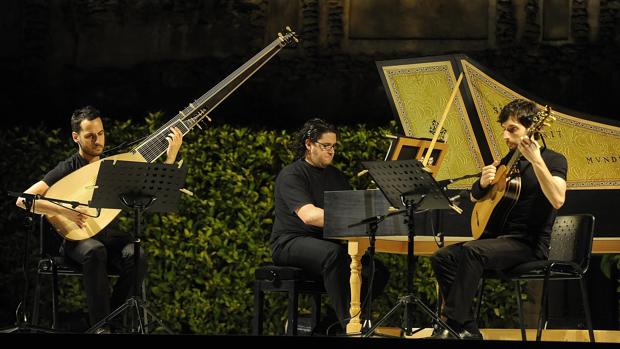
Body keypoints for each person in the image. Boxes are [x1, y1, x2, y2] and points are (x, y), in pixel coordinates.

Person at [15, 106, 183, 333]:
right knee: (95, 252)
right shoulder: (67, 168)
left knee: (137, 255)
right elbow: (23, 200)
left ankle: (113, 320)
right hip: (77, 240)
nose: (97, 141)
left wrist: (170, 158)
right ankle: (101, 328)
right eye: (90, 136)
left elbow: (149, 194)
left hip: (109, 235)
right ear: (76, 137)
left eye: (101, 133)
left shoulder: (114, 166)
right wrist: (65, 211)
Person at [429, 99, 567, 340]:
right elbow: (474, 197)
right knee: (443, 257)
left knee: (472, 251)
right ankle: (468, 328)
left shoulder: (554, 160)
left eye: (511, 129)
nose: (505, 135)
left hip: (529, 245)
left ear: (531, 128)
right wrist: (482, 183)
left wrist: (536, 160)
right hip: (498, 241)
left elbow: (557, 199)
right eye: (504, 128)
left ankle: (450, 325)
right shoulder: (507, 161)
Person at [270, 118, 390, 334]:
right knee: (335, 256)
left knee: (377, 270)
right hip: (290, 242)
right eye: (326, 146)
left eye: (334, 146)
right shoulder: (292, 174)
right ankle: (352, 326)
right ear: (309, 144)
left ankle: (329, 325)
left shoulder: (336, 176)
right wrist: (351, 218)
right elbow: (309, 216)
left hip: (325, 243)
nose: (331, 151)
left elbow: (350, 210)